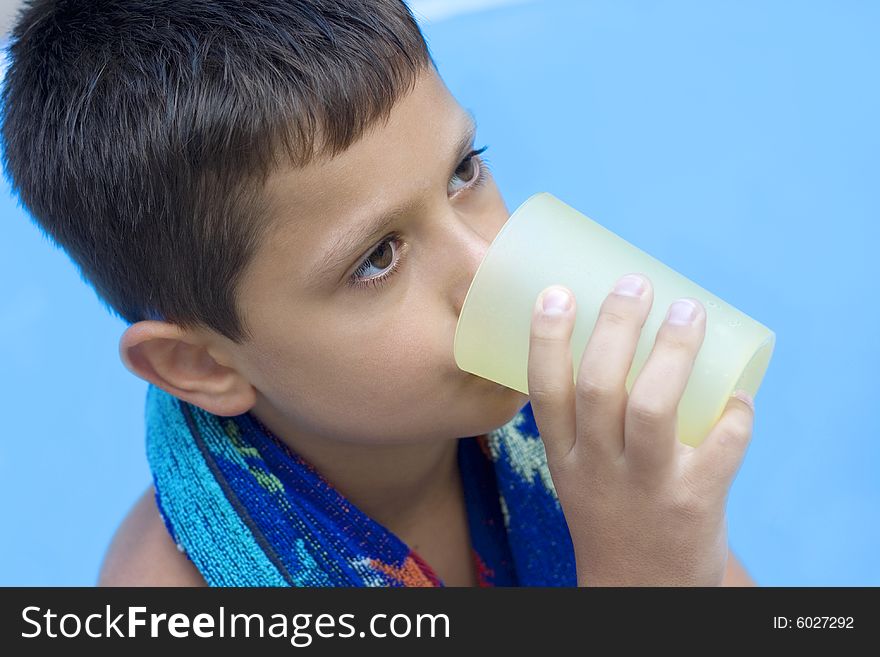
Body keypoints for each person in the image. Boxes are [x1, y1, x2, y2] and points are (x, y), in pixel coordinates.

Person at [1, 0, 756, 586]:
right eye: (378, 257)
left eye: (465, 171)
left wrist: (663, 542)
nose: (489, 264)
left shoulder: (588, 447)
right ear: (203, 366)